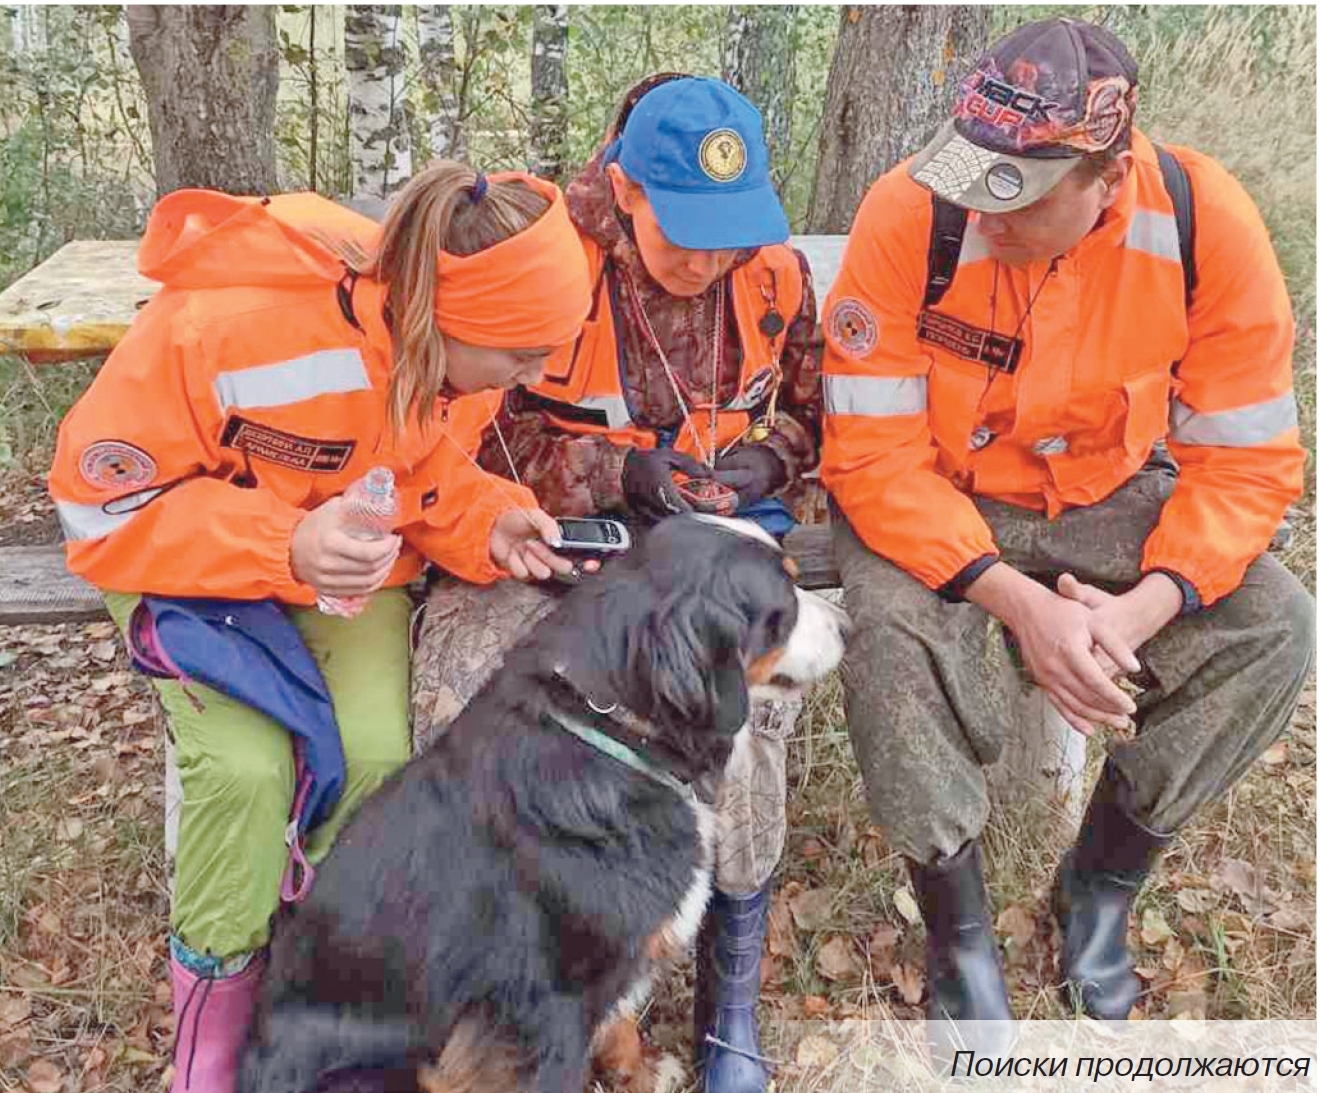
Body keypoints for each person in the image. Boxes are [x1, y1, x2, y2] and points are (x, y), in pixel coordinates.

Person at [47, 163, 594, 1093]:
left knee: (378, 754)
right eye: (521, 357)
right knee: (247, 772)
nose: (535, 377)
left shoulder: (460, 358)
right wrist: (288, 543)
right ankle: (211, 1034)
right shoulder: (227, 325)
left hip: (342, 563)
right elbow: (99, 505)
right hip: (183, 565)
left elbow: (426, 475)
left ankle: (321, 1001)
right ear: (442, 321)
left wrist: (488, 519)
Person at [819, 16, 1314, 1038]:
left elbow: (1246, 463)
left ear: (1105, 178)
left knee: (1276, 627)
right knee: (887, 635)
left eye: (1015, 198)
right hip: (944, 498)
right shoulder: (911, 213)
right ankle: (956, 924)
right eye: (972, 179)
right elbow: (872, 459)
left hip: (1108, 498)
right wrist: (1011, 598)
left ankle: (1099, 888)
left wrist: (1145, 605)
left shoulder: (1201, 223)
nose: (980, 213)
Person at [411, 75, 824, 1093]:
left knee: (744, 715)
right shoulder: (546, 261)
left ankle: (726, 1003)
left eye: (728, 231)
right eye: (685, 232)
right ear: (624, 190)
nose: (709, 257)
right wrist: (614, 473)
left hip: (718, 557)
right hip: (552, 545)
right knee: (469, 694)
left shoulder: (773, 274)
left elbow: (816, 414)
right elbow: (467, 429)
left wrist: (771, 463)